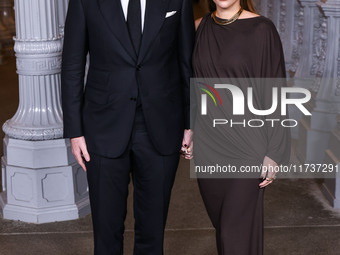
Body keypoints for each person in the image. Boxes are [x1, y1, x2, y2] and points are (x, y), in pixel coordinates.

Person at [61, 0, 194, 254]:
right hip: (103, 127)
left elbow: (186, 63)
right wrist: (75, 131)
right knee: (106, 231)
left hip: (162, 125)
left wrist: (190, 123)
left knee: (152, 231)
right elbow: (72, 66)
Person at [192, 0, 291, 254]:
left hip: (248, 146)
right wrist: (188, 130)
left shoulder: (262, 29)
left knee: (234, 235)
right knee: (226, 230)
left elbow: (275, 91)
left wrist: (274, 152)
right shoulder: (197, 28)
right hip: (208, 147)